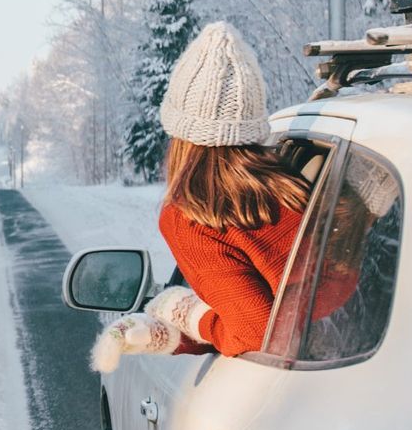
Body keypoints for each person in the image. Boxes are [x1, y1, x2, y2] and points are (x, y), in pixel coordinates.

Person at [91, 22, 309, 372]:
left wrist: (187, 311)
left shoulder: (193, 218)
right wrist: (173, 334)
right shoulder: (298, 184)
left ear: (180, 133)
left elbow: (255, 334)